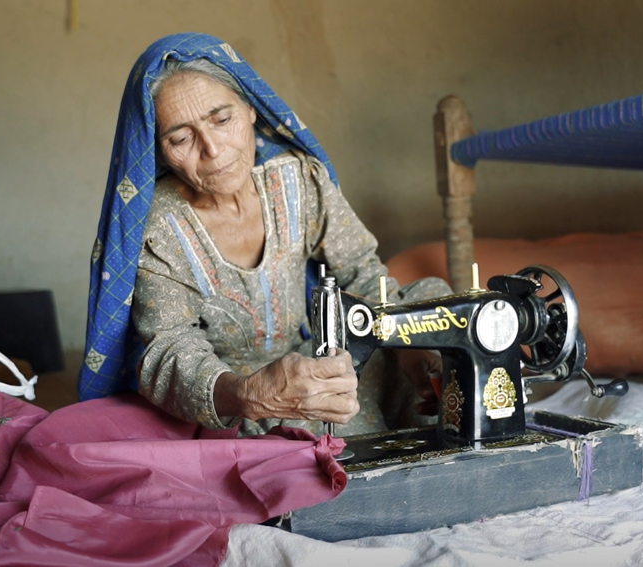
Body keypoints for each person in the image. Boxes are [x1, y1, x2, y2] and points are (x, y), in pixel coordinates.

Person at [78, 33, 452, 436]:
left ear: (251, 110)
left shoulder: (298, 181)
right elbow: (170, 348)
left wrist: (405, 345)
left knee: (434, 316)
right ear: (158, 148)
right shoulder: (160, 230)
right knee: (304, 427)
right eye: (181, 138)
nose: (213, 150)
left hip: (308, 365)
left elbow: (360, 271)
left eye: (222, 120)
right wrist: (245, 394)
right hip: (232, 398)